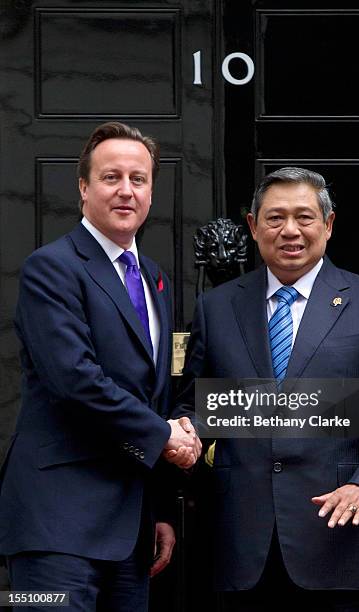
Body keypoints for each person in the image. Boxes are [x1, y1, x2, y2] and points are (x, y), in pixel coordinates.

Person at [176, 167, 359, 612]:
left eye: (304, 217)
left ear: (328, 225)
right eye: (275, 218)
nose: (290, 230)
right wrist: (182, 432)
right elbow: (199, 405)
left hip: (344, 537)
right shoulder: (216, 307)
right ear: (253, 227)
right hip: (243, 544)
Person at [0, 122, 201, 611]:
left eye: (139, 179)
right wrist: (165, 436)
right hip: (57, 526)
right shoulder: (52, 268)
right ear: (84, 188)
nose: (126, 191)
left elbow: (151, 392)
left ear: (152, 191)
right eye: (111, 177)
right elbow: (74, 381)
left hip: (129, 531)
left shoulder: (154, 278)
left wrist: (158, 506)